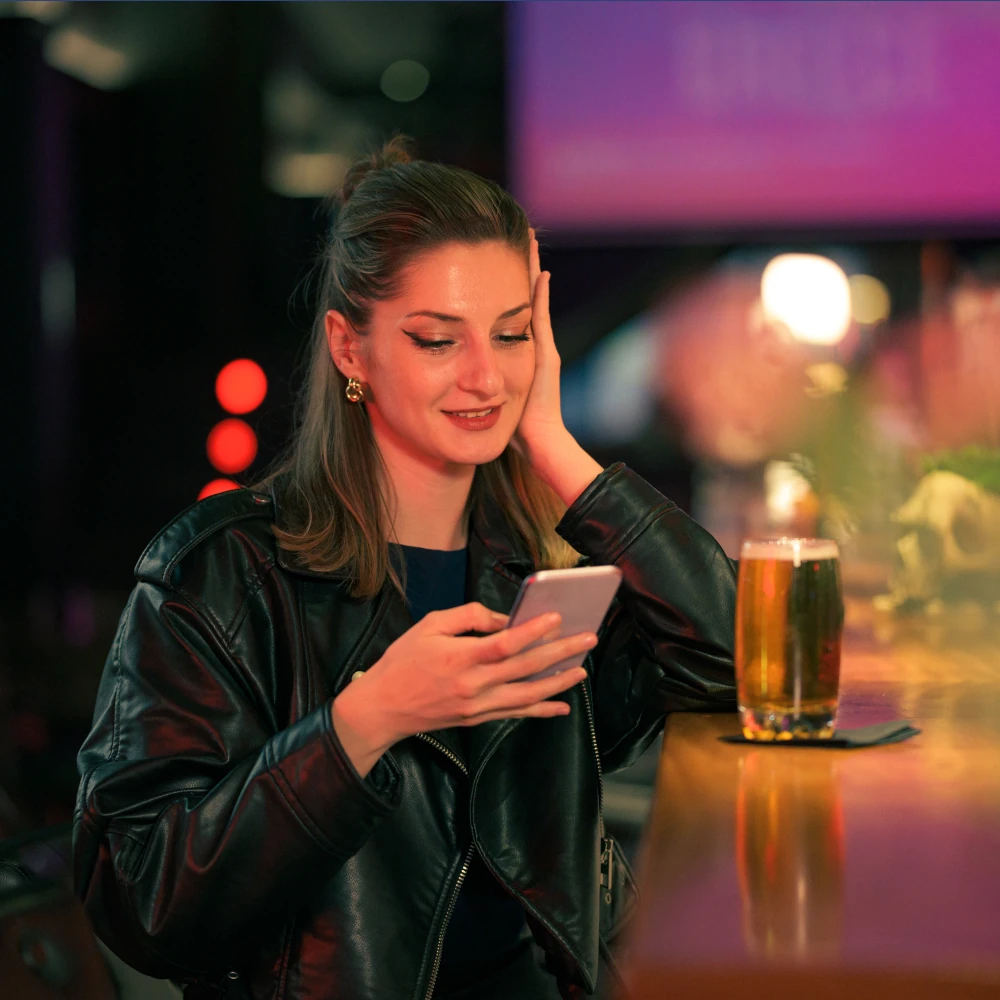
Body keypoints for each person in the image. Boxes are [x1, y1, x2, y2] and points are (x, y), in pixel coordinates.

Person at [73, 137, 737, 1000]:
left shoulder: (532, 565)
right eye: (436, 341)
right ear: (350, 350)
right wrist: (362, 724)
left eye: (511, 335)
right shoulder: (221, 572)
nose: (485, 377)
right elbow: (142, 902)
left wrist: (553, 444)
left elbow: (734, 660)